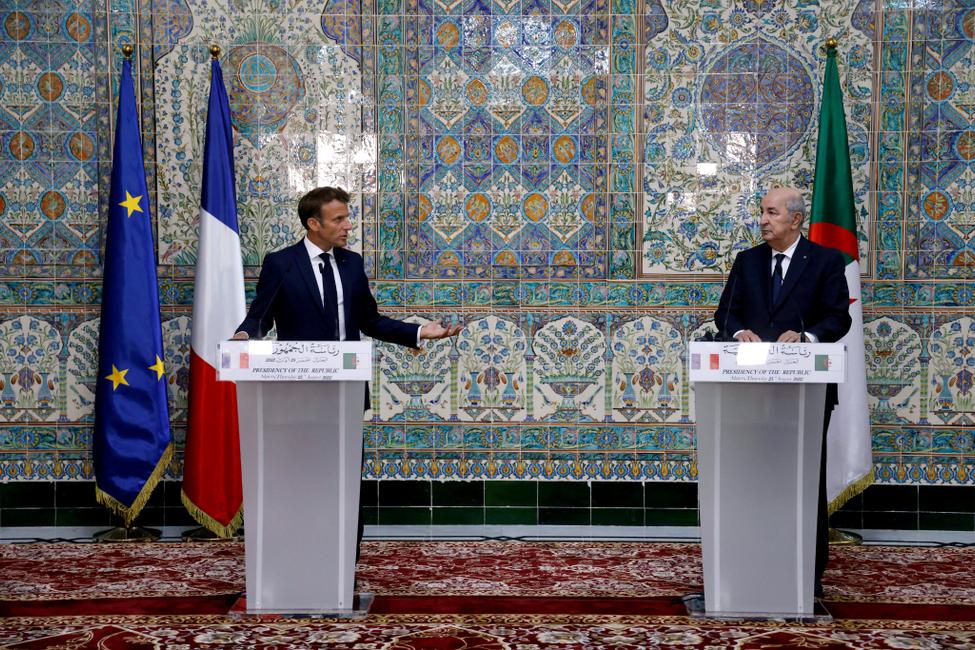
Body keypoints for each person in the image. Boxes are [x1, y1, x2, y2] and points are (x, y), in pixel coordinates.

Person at [233, 186, 461, 565]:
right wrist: (243, 335)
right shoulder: (281, 263)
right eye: (339, 219)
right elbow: (261, 315)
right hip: (296, 391)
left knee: (343, 478)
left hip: (347, 390)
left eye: (347, 217)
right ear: (313, 223)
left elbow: (368, 320)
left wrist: (419, 332)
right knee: (300, 473)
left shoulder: (352, 264)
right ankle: (294, 558)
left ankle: (342, 563)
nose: (347, 226)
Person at [713, 186, 851, 598]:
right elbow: (725, 313)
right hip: (749, 391)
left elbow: (838, 318)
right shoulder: (747, 261)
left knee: (804, 479)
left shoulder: (826, 261)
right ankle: (747, 564)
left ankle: (807, 574)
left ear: (795, 219)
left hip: (805, 393)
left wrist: (807, 337)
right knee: (752, 476)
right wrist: (738, 332)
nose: (762, 221)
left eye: (771, 213)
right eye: (761, 212)